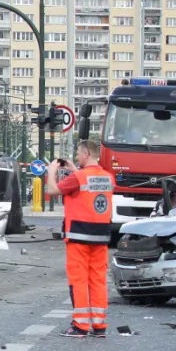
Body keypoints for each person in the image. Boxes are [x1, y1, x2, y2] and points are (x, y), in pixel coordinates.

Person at [44, 139, 114, 338]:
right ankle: (99, 325)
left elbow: (53, 190)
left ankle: (80, 326)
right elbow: (88, 187)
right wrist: (76, 169)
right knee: (98, 280)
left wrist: (51, 172)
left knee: (79, 280)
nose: (76, 157)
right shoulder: (108, 177)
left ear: (85, 154)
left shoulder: (80, 177)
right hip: (101, 236)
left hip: (78, 236)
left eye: (77, 154)